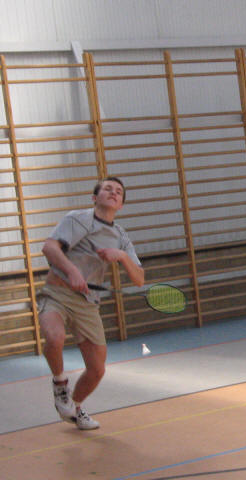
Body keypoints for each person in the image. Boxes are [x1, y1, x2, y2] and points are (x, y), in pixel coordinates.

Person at [37, 177, 144, 430]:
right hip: (57, 293)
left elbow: (139, 278)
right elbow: (49, 248)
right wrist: (72, 270)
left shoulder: (120, 236)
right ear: (95, 198)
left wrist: (121, 256)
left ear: (121, 205)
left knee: (97, 370)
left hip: (87, 303)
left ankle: (74, 408)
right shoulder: (78, 219)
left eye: (118, 192)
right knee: (55, 337)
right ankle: (60, 385)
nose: (113, 193)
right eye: (107, 189)